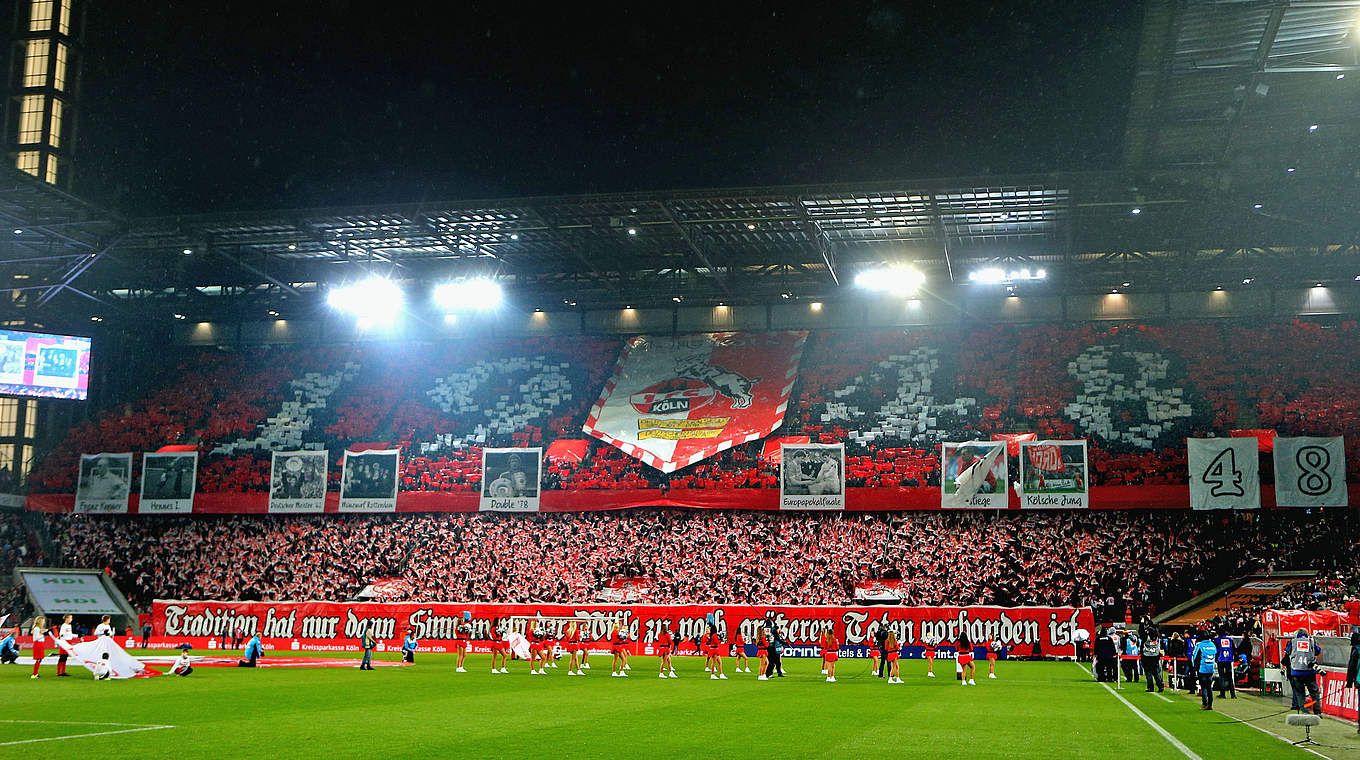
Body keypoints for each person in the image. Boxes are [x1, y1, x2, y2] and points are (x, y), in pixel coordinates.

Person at [1284, 628, 1322, 715]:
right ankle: (1317, 711)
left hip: (1296, 671)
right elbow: (1318, 651)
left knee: (1300, 692)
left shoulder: (1293, 642)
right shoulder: (1311, 641)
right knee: (1314, 692)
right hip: (1309, 671)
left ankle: (1305, 711)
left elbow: (1287, 651)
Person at [1190, 633, 1219, 710]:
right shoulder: (1213, 645)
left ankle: (1204, 703)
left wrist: (1194, 667)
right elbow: (1216, 655)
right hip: (1211, 668)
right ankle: (1210, 704)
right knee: (1209, 686)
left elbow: (1194, 656)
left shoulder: (1199, 645)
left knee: (1203, 687)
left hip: (1202, 668)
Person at [1140, 625, 1165, 693]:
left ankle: (1151, 687)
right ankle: (1160, 686)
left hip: (1147, 656)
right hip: (1155, 656)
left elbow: (1141, 632)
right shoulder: (1157, 637)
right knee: (1156, 672)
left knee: (1148, 673)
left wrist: (1142, 622)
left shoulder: (1146, 637)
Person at [1214, 632, 1236, 699]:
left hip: (1221, 659)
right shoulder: (1230, 640)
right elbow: (1234, 649)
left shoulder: (1217, 640)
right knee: (1230, 677)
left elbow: (1216, 650)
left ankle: (1222, 694)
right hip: (1228, 659)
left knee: (1221, 677)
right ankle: (1233, 694)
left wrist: (1216, 658)